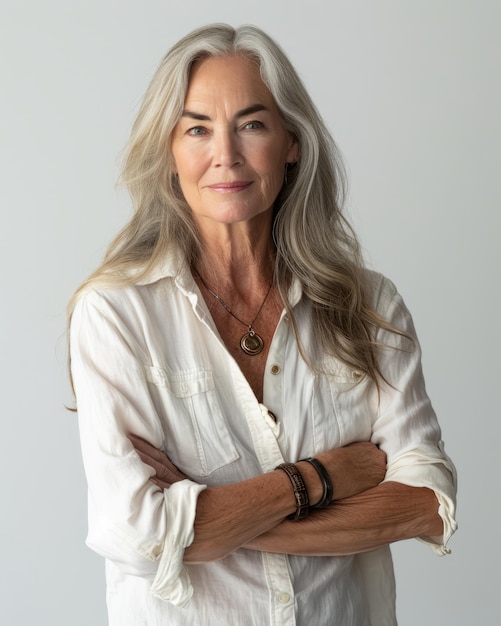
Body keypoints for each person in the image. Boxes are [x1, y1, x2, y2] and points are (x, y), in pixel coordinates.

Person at [68, 23, 457, 626]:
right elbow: (137, 537)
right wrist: (325, 476)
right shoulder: (116, 314)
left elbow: (426, 507)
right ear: (169, 152)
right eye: (197, 128)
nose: (225, 154)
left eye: (252, 124)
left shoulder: (368, 306)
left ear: (292, 141)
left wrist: (210, 526)